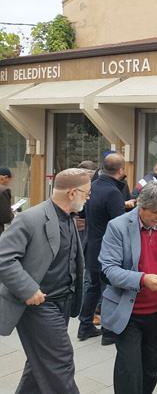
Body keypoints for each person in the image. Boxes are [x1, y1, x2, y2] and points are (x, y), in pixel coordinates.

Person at [0, 168, 92, 394]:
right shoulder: (31, 218)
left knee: (40, 363)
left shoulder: (69, 216)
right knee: (60, 362)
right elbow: (3, 258)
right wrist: (29, 290)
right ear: (73, 193)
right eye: (87, 192)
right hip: (39, 304)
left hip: (63, 302)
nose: (89, 197)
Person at [99, 181, 157, 394]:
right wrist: (142, 279)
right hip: (127, 311)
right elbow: (109, 269)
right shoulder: (118, 226)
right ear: (141, 206)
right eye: (155, 212)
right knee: (129, 371)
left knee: (151, 368)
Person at [77, 153, 127, 344]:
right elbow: (119, 224)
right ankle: (108, 332)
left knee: (93, 288)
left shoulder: (93, 186)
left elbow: (82, 212)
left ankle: (84, 326)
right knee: (109, 290)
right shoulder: (113, 192)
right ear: (121, 171)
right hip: (108, 249)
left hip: (91, 245)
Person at [0, 167, 14, 236]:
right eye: (9, 180)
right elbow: (5, 218)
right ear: (5, 178)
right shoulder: (3, 190)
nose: (9, 183)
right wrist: (10, 213)